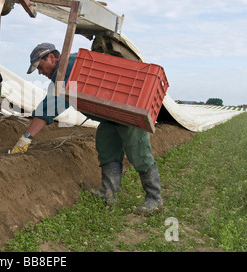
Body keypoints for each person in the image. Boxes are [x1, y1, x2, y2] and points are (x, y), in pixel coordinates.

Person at [11, 42, 163, 216]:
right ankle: (108, 193)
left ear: (52, 58)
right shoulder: (68, 67)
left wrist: (26, 137)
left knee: (139, 153)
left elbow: (50, 107)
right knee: (106, 148)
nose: (40, 72)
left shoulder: (68, 67)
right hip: (110, 117)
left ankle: (154, 197)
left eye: (40, 66)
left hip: (126, 113)